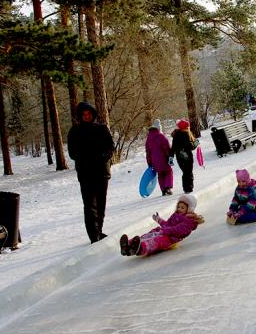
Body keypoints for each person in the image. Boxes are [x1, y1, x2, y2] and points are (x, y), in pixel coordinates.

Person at [67, 102, 115, 243]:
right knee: (89, 205)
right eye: (84, 114)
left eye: (89, 114)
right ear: (80, 116)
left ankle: (98, 231)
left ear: (93, 114)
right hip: (85, 173)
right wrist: (86, 158)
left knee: (101, 203)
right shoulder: (74, 132)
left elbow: (110, 147)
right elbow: (72, 152)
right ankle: (93, 235)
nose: (87, 116)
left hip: (101, 172)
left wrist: (104, 156)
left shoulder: (101, 129)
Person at [119, 194, 204, 257]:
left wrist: (165, 230)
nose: (179, 209)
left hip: (171, 239)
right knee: (151, 233)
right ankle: (129, 245)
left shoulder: (189, 221)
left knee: (156, 241)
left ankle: (141, 248)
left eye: (182, 208)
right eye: (178, 207)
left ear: (189, 209)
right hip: (164, 232)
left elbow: (178, 229)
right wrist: (158, 219)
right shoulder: (176, 215)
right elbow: (167, 224)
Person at [145, 120, 173, 196]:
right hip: (164, 159)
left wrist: (149, 163)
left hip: (154, 162)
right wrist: (170, 157)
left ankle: (163, 190)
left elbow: (148, 152)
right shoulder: (161, 137)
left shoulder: (148, 139)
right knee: (168, 172)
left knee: (160, 175)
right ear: (159, 129)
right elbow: (167, 148)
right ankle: (167, 188)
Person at [171, 119, 197, 193]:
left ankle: (186, 188)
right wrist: (195, 144)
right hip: (187, 156)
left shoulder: (175, 135)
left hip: (179, 157)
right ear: (185, 127)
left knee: (185, 172)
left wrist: (171, 156)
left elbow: (173, 147)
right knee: (188, 172)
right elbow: (189, 146)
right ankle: (189, 188)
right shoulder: (186, 134)